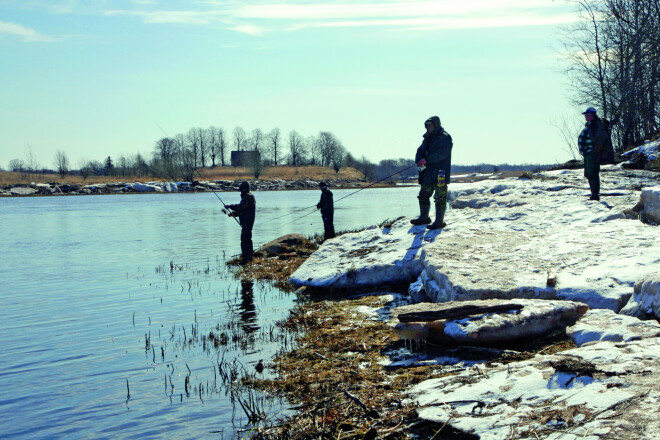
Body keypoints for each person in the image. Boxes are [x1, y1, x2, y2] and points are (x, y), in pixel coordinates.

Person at [410, 116, 453, 229]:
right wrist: (419, 160)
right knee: (423, 195)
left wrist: (427, 160)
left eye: (430, 125)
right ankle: (424, 218)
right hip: (427, 174)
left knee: (440, 198)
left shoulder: (445, 137)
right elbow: (420, 150)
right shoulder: (427, 138)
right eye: (427, 125)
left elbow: (442, 153)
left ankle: (439, 222)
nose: (428, 127)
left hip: (440, 174)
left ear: (436, 125)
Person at [578, 107, 610, 201]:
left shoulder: (596, 125)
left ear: (591, 115)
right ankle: (593, 194)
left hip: (592, 153)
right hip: (587, 153)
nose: (585, 117)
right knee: (588, 174)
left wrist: (595, 151)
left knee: (593, 173)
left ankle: (595, 195)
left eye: (587, 115)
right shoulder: (590, 125)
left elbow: (603, 138)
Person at [227, 181, 256, 264]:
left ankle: (245, 259)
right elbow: (244, 210)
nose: (241, 192)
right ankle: (249, 258)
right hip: (247, 221)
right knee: (247, 239)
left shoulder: (248, 196)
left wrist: (230, 206)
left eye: (241, 190)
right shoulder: (248, 196)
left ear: (244, 189)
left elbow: (240, 206)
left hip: (247, 222)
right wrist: (234, 214)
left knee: (244, 240)